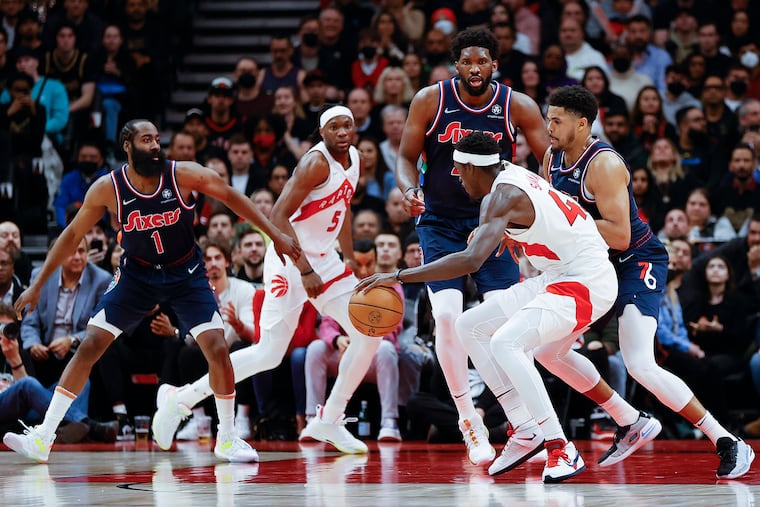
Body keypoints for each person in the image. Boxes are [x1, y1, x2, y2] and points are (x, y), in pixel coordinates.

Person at [3, 119, 300, 465]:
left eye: (158, 139)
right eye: (147, 140)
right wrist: (38, 285)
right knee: (91, 344)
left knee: (218, 347)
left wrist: (274, 234)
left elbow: (232, 197)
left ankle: (228, 438)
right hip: (136, 274)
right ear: (127, 146)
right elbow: (70, 236)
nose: (156, 146)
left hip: (186, 272)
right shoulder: (107, 188)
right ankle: (44, 436)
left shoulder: (182, 174)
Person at [358, 131, 627, 482]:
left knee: (505, 342)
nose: (456, 177)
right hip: (561, 274)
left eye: (458, 170)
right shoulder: (509, 175)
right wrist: (503, 233)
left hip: (586, 281)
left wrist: (398, 275)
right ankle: (525, 426)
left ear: (471, 168)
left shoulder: (500, 197)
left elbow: (470, 261)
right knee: (468, 325)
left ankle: (559, 445)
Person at [543, 85, 753, 480]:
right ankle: (628, 419)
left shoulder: (603, 164)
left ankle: (727, 440)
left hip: (635, 260)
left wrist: (559, 222)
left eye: (557, 120)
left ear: (583, 123)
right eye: (547, 118)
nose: (548, 127)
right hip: (590, 265)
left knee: (639, 362)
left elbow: (619, 235)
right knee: (546, 349)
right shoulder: (551, 157)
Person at [151, 105, 384, 455]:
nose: (342, 132)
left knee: (369, 334)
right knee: (268, 354)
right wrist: (304, 268)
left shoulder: (354, 157)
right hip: (290, 259)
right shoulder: (315, 163)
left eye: (347, 125)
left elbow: (344, 208)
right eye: (334, 126)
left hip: (327, 260)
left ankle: (330, 419)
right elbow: (275, 217)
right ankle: (179, 400)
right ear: (321, 132)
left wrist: (347, 256)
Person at [395, 26, 548, 466]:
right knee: (446, 318)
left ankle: (526, 423)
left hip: (494, 223)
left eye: (483, 61)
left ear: (495, 64)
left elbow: (548, 162)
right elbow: (406, 157)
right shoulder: (430, 99)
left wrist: (533, 214)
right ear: (456, 64)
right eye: (468, 61)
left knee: (507, 325)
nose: (476, 68)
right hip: (440, 222)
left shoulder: (517, 105)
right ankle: (469, 421)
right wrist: (408, 189)